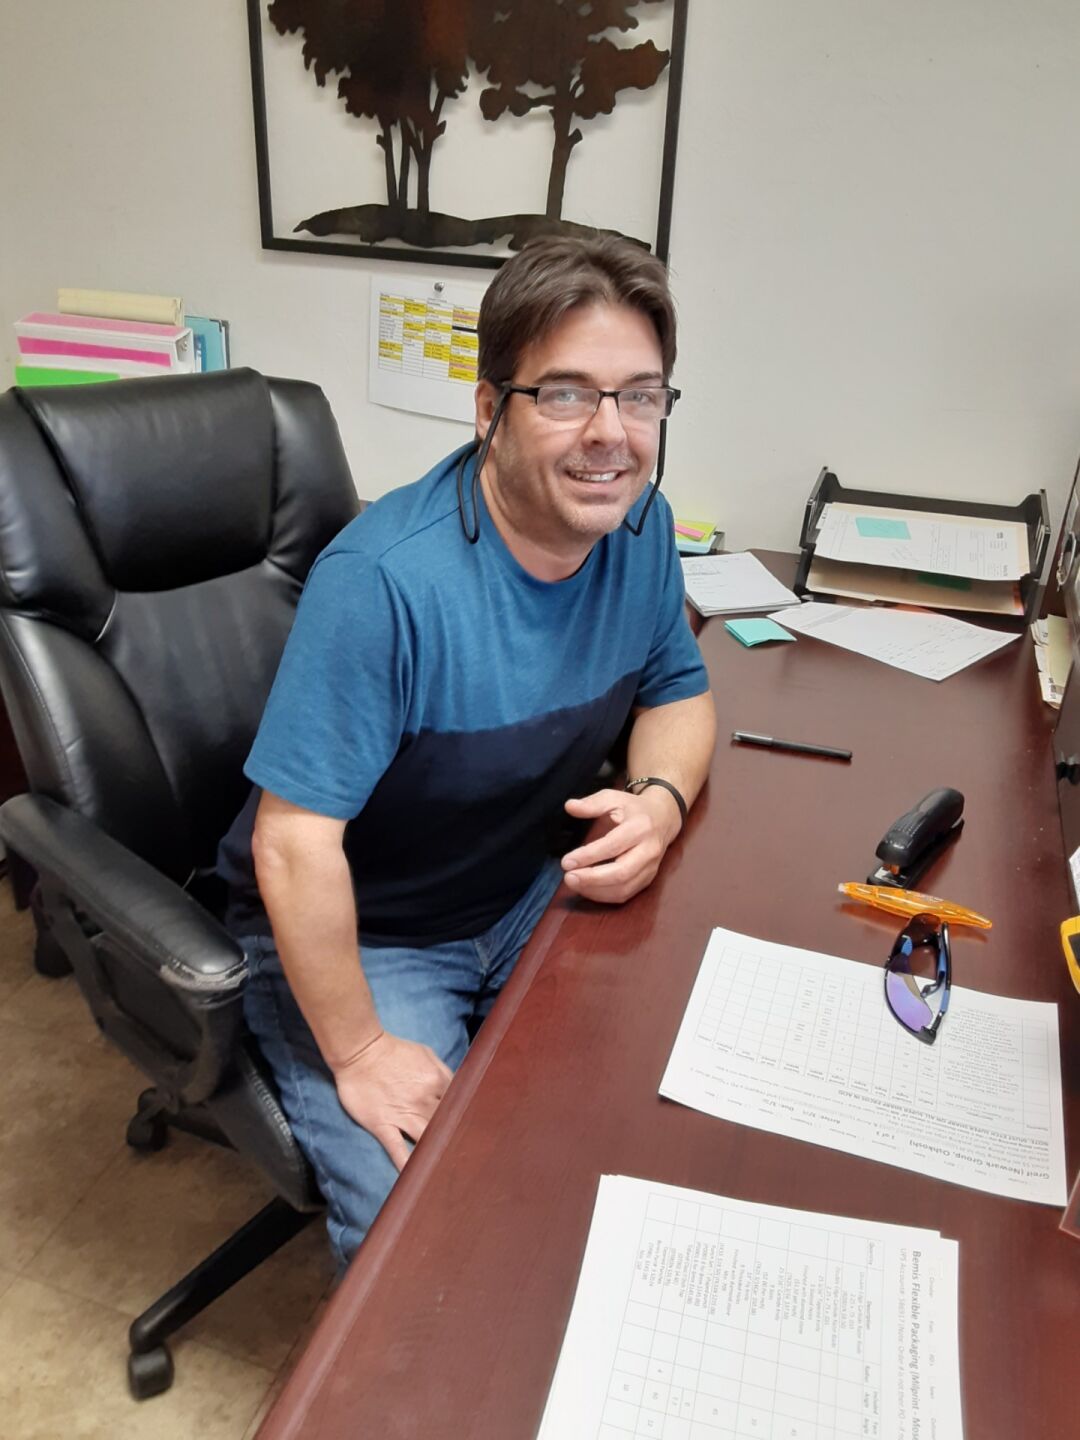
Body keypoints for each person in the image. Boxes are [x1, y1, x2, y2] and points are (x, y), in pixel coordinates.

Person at [217, 235, 717, 1268]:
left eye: (640, 396)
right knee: (422, 1233)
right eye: (566, 394)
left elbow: (677, 689)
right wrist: (360, 1050)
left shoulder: (640, 532)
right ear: (490, 409)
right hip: (369, 929)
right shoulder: (385, 583)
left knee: (659, 1102)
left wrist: (659, 802)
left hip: (522, 885)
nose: (611, 435)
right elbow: (292, 846)